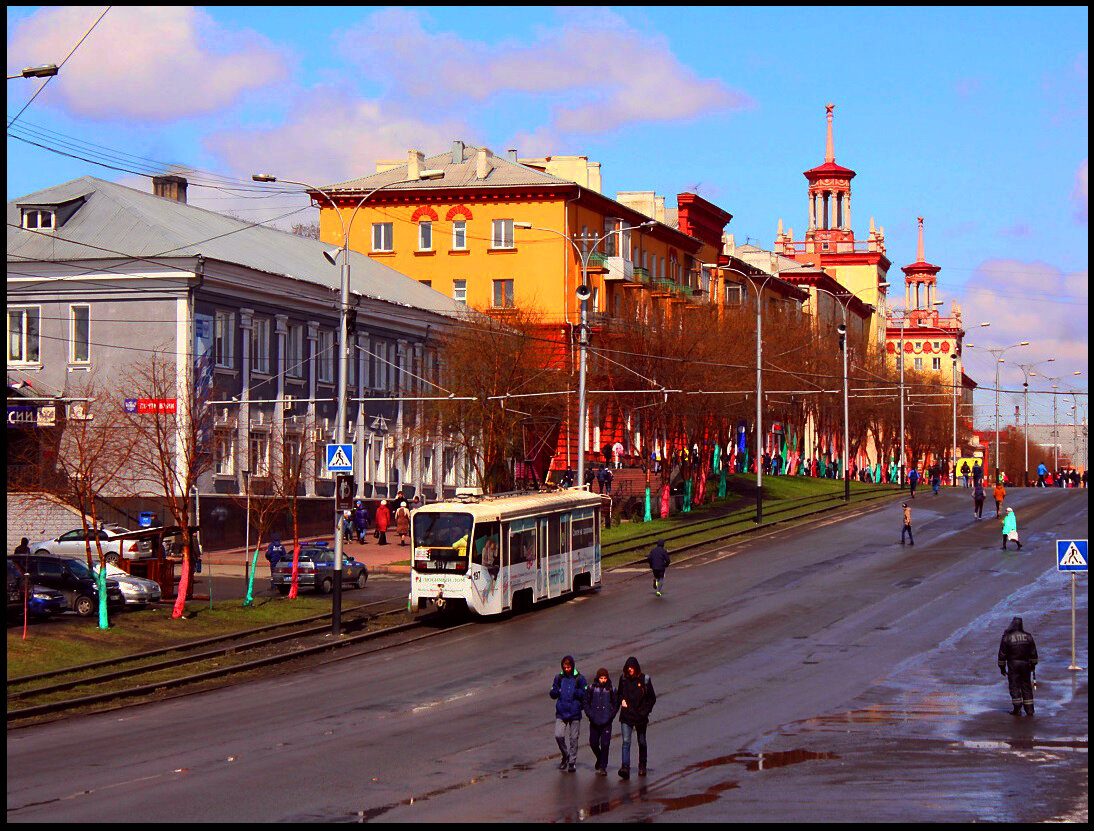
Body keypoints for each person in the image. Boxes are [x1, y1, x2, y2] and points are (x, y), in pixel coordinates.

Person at [617, 656, 657, 779]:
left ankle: (642, 765)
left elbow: (652, 698)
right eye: (628, 668)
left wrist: (645, 711)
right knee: (626, 742)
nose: (630, 670)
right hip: (626, 716)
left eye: (632, 668)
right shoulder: (623, 679)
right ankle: (625, 767)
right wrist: (621, 701)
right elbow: (618, 694)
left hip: (640, 717)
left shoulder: (644, 680)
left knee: (641, 741)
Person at [550, 655, 588, 773]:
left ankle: (572, 762)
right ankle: (565, 755)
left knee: (573, 739)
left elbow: (586, 694)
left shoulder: (580, 679)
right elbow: (552, 693)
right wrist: (556, 691)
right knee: (558, 735)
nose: (567, 669)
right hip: (561, 713)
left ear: (572, 666)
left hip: (575, 713)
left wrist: (576, 693)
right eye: (565, 667)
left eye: (568, 667)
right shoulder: (559, 678)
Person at [998, 616, 1038, 716]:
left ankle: (1017, 708)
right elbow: (1033, 653)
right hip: (1025, 664)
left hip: (1013, 665)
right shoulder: (1028, 636)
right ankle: (1030, 710)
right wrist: (1033, 665)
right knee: (1026, 686)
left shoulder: (1006, 637)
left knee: (1014, 686)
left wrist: (1002, 668)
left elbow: (1002, 654)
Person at [583, 667, 619, 776]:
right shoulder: (591, 688)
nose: (603, 680)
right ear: (598, 678)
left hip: (606, 722)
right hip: (594, 721)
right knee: (593, 743)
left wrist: (610, 716)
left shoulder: (611, 689)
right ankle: (599, 758)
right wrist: (590, 715)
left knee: (605, 744)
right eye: (601, 678)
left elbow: (616, 704)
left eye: (605, 678)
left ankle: (603, 766)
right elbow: (585, 702)